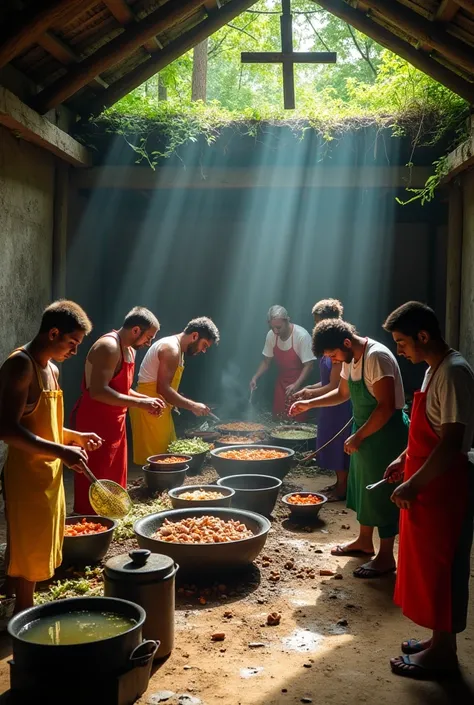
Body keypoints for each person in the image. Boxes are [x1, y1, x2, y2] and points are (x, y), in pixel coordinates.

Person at [383, 302, 474, 680]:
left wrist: (412, 482)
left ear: (423, 336)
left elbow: (450, 442)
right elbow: (428, 428)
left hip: (445, 486)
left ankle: (445, 654)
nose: (400, 350)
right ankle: (437, 640)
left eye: (402, 342)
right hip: (427, 483)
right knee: (427, 568)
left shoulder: (454, 372)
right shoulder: (432, 370)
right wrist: (402, 458)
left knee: (445, 568)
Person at [0, 300, 101, 613]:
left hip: (50, 473)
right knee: (30, 543)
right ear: (53, 333)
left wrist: (74, 437)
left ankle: (9, 590)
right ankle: (24, 613)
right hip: (27, 475)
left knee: (40, 539)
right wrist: (61, 450)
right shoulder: (20, 365)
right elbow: (6, 429)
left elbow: (49, 426)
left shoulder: (52, 370)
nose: (74, 351)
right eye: (72, 343)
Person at [290, 319, 408, 578]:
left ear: (346, 342)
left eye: (333, 355)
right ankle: (364, 542)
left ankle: (386, 556)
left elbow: (386, 406)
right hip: (365, 431)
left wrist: (359, 436)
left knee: (382, 492)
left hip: (385, 433)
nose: (332, 361)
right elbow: (343, 394)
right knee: (363, 488)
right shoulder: (349, 359)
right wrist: (311, 404)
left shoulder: (376, 357)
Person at [72, 307, 164, 514]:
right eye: (149, 337)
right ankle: (89, 518)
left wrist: (147, 399)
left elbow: (123, 389)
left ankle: (112, 515)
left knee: (115, 473)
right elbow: (98, 391)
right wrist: (141, 404)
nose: (149, 342)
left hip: (116, 420)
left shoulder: (129, 349)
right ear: (136, 330)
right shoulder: (108, 346)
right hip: (95, 420)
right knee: (96, 471)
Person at [130, 317, 220, 465]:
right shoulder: (171, 348)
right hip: (149, 408)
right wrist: (193, 406)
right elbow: (163, 389)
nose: (203, 351)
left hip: (159, 407)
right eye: (204, 345)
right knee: (156, 461)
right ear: (195, 336)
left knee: (167, 457)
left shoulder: (177, 348)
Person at [292, 299, 352, 501]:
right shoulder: (328, 348)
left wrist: (310, 395)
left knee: (337, 445)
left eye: (318, 322)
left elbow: (335, 387)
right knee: (328, 442)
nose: (316, 326)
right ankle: (338, 483)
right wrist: (309, 388)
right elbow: (325, 381)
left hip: (339, 405)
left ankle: (343, 488)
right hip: (327, 403)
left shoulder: (338, 350)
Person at [250, 306, 315, 420]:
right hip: (281, 385)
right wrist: (255, 377)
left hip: (300, 385)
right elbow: (266, 361)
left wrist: (296, 384)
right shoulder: (271, 335)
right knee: (278, 421)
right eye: (272, 327)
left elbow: (309, 365)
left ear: (287, 320)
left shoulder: (301, 336)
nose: (275, 331)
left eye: (278, 327)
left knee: (297, 422)